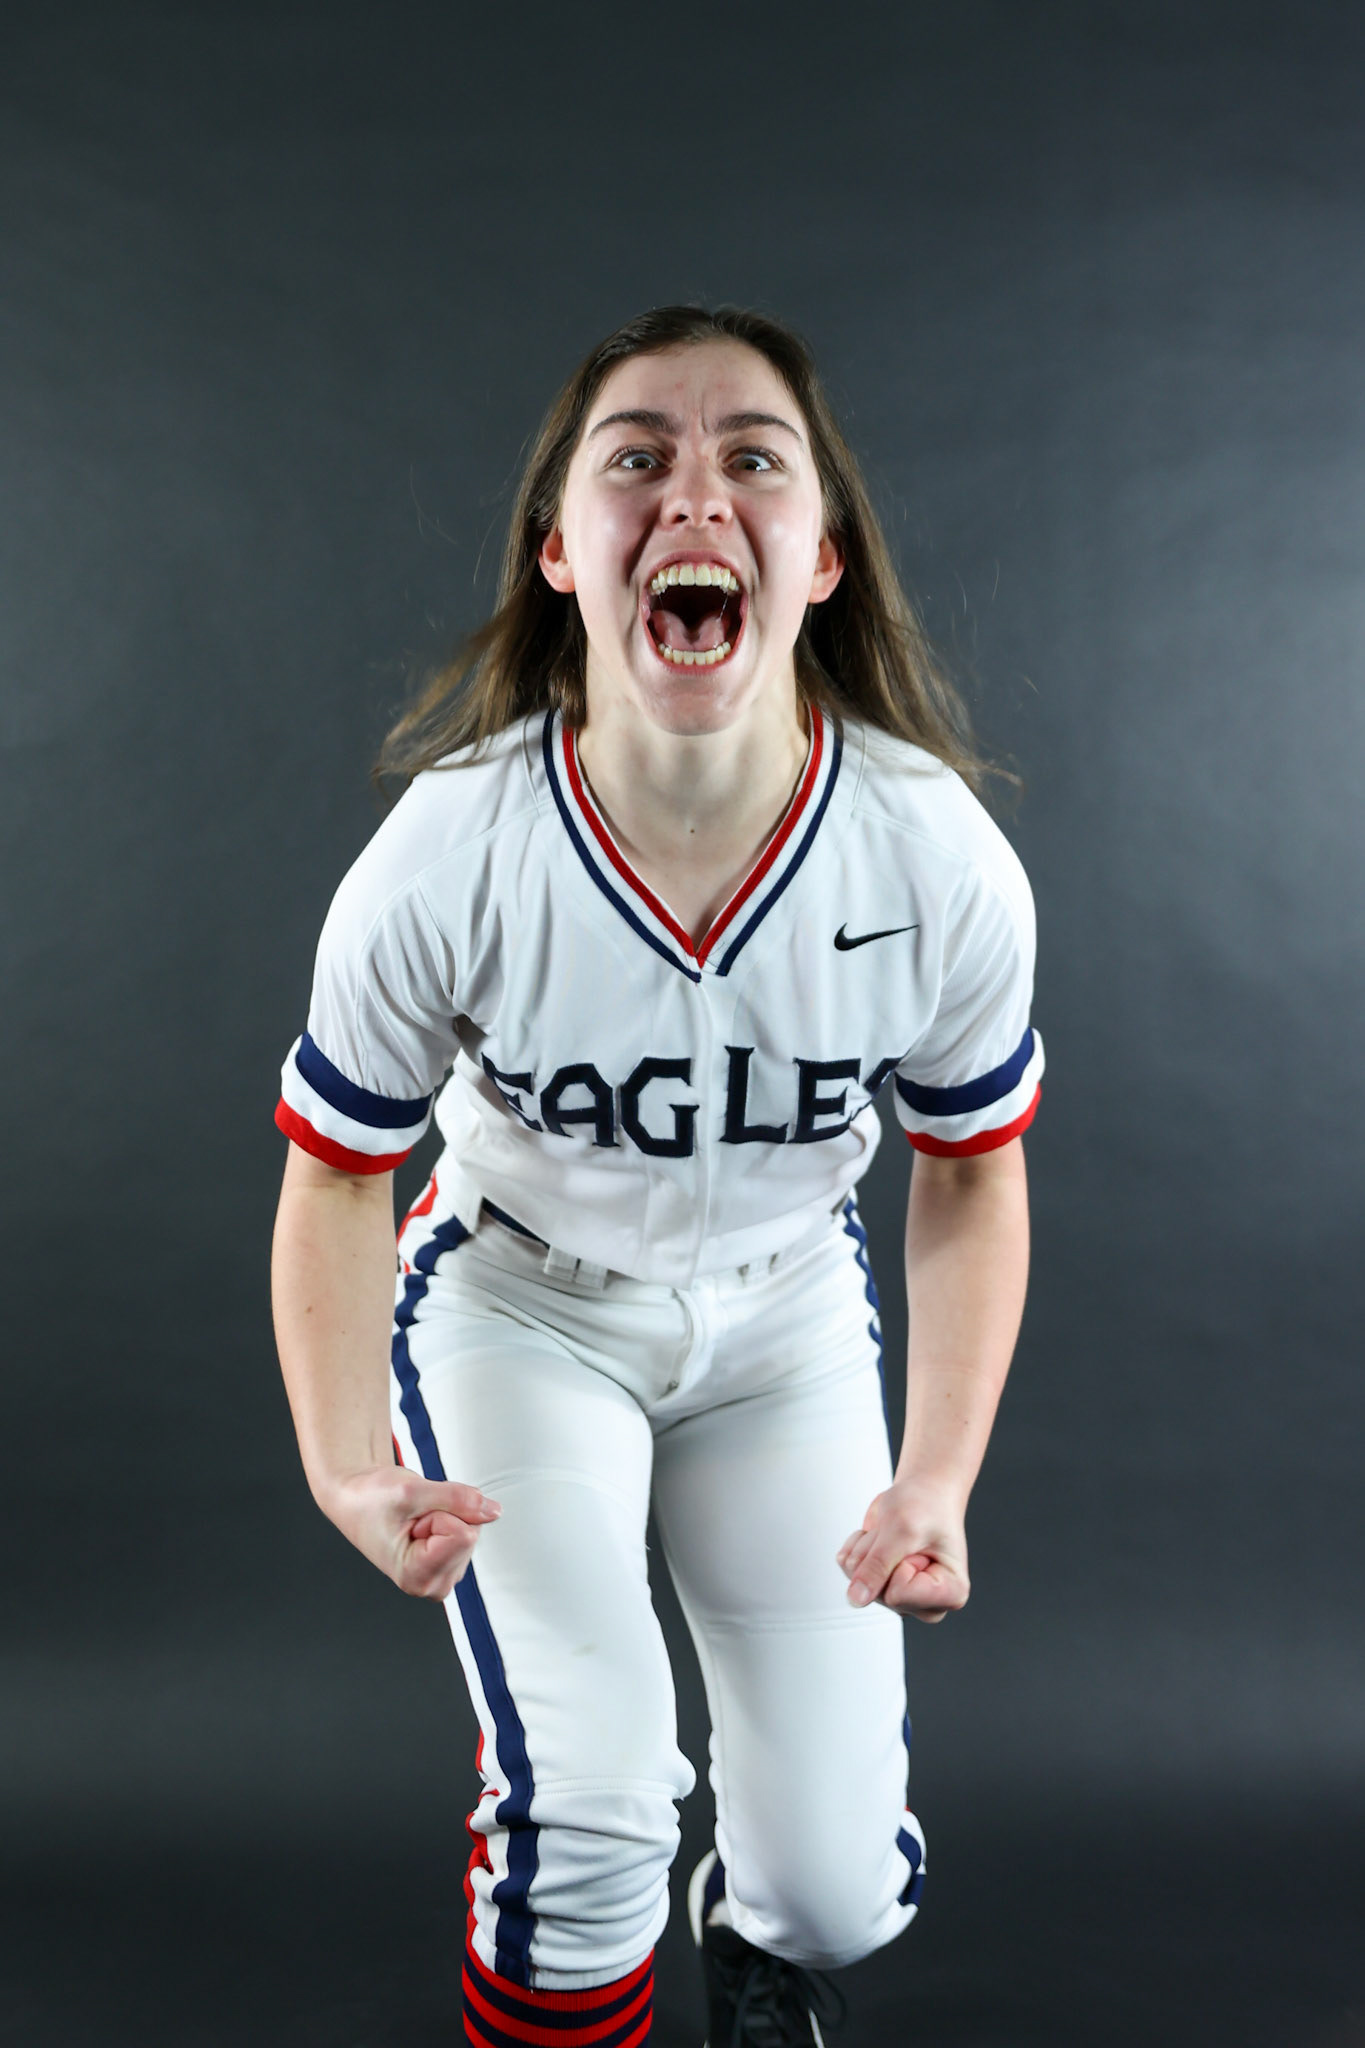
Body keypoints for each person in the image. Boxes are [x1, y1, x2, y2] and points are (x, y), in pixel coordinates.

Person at [271, 304, 1041, 2048]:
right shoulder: (453, 846)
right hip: (521, 1307)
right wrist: (345, 1465)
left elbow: (972, 1171)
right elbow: (335, 1176)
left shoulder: (929, 852)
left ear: (820, 559)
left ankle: (753, 1936)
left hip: (782, 1324)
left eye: (752, 457)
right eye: (639, 458)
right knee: (591, 1815)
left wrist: (936, 1477)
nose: (696, 492)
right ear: (561, 548)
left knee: (838, 1891)